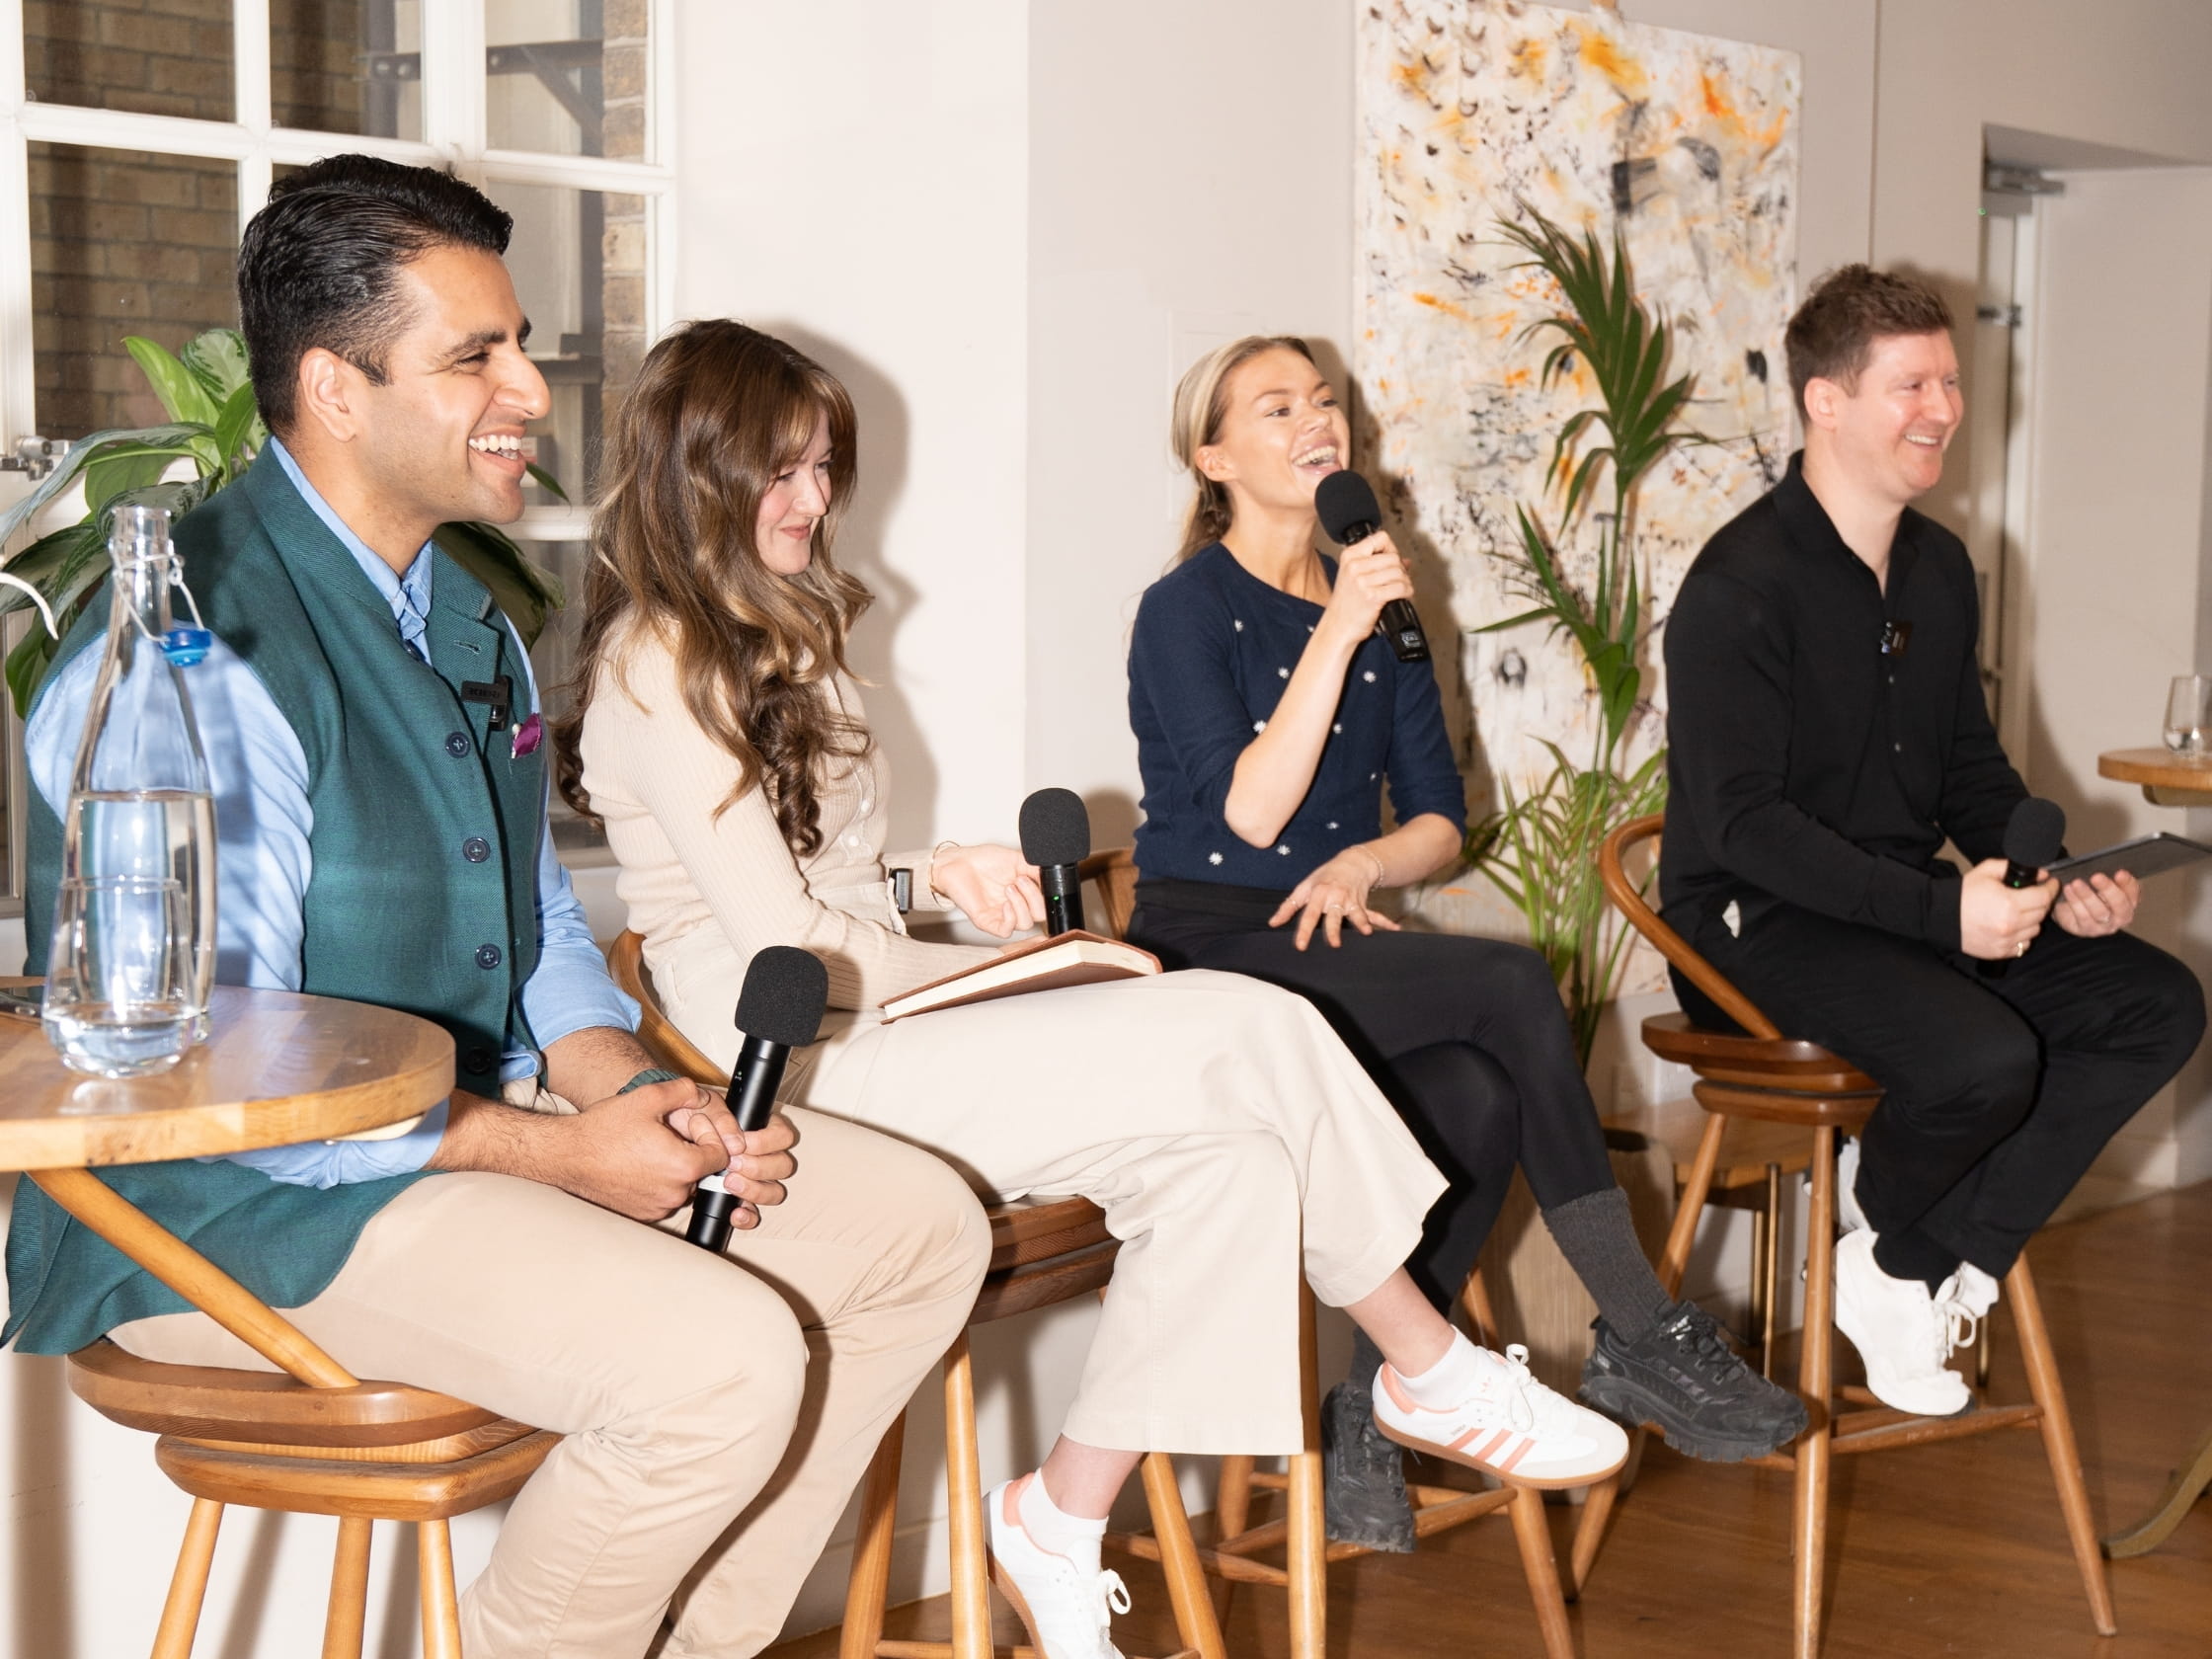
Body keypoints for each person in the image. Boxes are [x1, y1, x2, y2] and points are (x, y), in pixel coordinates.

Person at [4, 156, 997, 1659]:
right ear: (335, 391)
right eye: (475, 356)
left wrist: (632, 1095)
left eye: (518, 345)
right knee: (719, 1360)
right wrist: (552, 1154)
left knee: (915, 1233)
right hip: (227, 1211)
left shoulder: (466, 616)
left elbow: (538, 935)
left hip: (446, 1141)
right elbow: (227, 1071)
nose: (530, 391)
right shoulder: (196, 653)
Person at [561, 318, 1634, 1659]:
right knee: (1253, 1023)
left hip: (871, 1017)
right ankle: (1425, 1365)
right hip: (797, 1067)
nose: (814, 498)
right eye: (781, 471)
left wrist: (933, 870)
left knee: (1237, 1167)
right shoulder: (657, 664)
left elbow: (810, 875)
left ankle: (1057, 1517)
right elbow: (787, 947)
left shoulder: (777, 633)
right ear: (696, 473)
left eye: (824, 466)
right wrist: (1017, 970)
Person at [1123, 335, 1807, 1550]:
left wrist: (1366, 863)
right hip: (1206, 951)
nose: (1314, 420)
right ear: (1211, 458)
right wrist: (1338, 623)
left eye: (1322, 400)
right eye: (1274, 408)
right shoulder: (1183, 609)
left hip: (1324, 933)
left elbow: (1438, 819)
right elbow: (1249, 814)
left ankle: (1375, 1401)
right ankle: (1638, 1326)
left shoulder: (1384, 601)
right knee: (1506, 982)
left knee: (1478, 1095)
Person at [1663, 264, 2205, 1415]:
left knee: (2153, 1003)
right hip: (1751, 926)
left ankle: (1902, 1257)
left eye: (1948, 382)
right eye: (1909, 385)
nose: (1942, 410)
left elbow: (1964, 770)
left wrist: (2053, 882)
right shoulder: (1737, 586)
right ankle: (1910, 1242)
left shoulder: (1937, 567)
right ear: (1824, 401)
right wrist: (1945, 911)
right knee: (1981, 1061)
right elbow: (1741, 825)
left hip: (1899, 913)